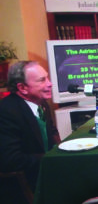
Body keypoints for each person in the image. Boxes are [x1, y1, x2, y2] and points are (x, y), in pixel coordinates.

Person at [0, 61, 61, 197]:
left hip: (47, 175)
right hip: (22, 187)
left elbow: (52, 133)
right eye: (42, 80)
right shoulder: (6, 112)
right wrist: (50, 158)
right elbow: (11, 160)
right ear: (22, 88)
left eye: (47, 78)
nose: (50, 84)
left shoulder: (42, 104)